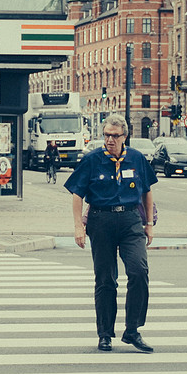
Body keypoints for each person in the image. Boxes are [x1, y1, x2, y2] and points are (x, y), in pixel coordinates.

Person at [64, 113, 157, 354]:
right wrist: (78, 227)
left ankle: (132, 330)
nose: (109, 140)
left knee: (139, 271)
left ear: (125, 136)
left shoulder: (136, 159)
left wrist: (149, 224)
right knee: (105, 280)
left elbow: (147, 192)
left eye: (115, 136)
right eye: (106, 135)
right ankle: (105, 334)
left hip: (130, 220)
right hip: (101, 220)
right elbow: (77, 194)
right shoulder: (93, 159)